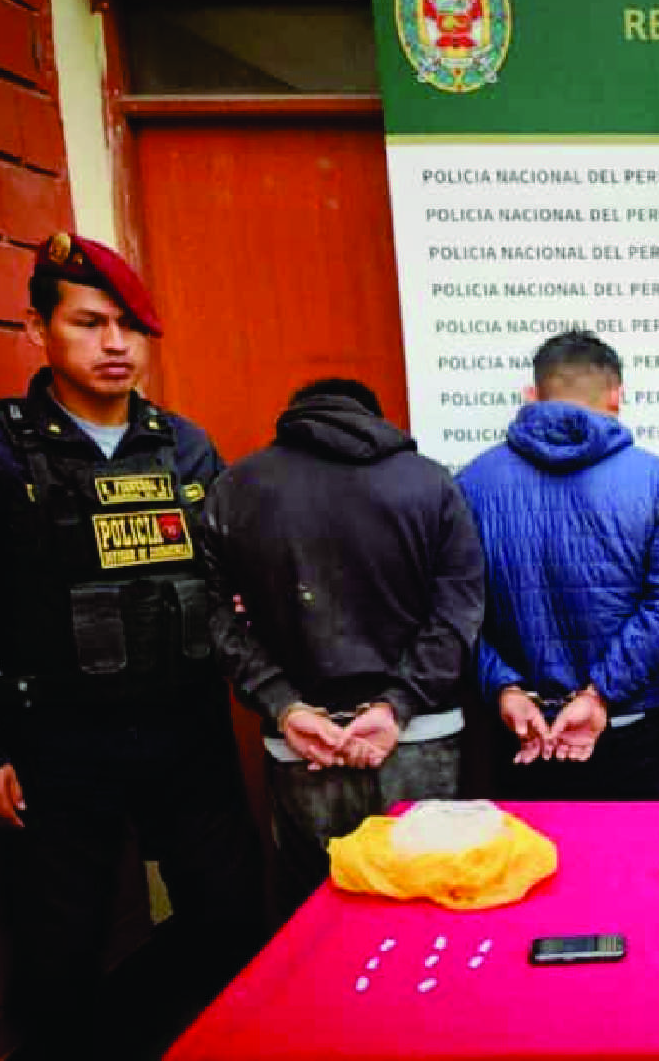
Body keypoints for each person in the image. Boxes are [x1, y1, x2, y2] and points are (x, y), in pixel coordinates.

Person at [0, 233, 263, 1056]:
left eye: (131, 327)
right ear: (38, 329)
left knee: (230, 915)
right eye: (90, 323)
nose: (115, 345)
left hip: (186, 725)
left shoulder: (185, 445)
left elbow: (229, 585)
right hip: (56, 739)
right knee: (61, 947)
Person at [204, 378, 485, 911]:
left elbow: (220, 621)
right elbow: (458, 614)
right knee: (425, 905)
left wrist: (284, 705)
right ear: (374, 420)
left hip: (302, 743)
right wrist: (396, 706)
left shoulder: (235, 488)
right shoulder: (430, 483)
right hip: (421, 734)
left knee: (318, 912)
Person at [458, 331, 659, 800]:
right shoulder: (656, 480)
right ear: (617, 397)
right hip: (632, 728)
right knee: (639, 850)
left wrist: (504, 688)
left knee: (533, 850)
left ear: (532, 395)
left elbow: (455, 612)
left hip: (521, 732)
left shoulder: (472, 483)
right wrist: (599, 694)